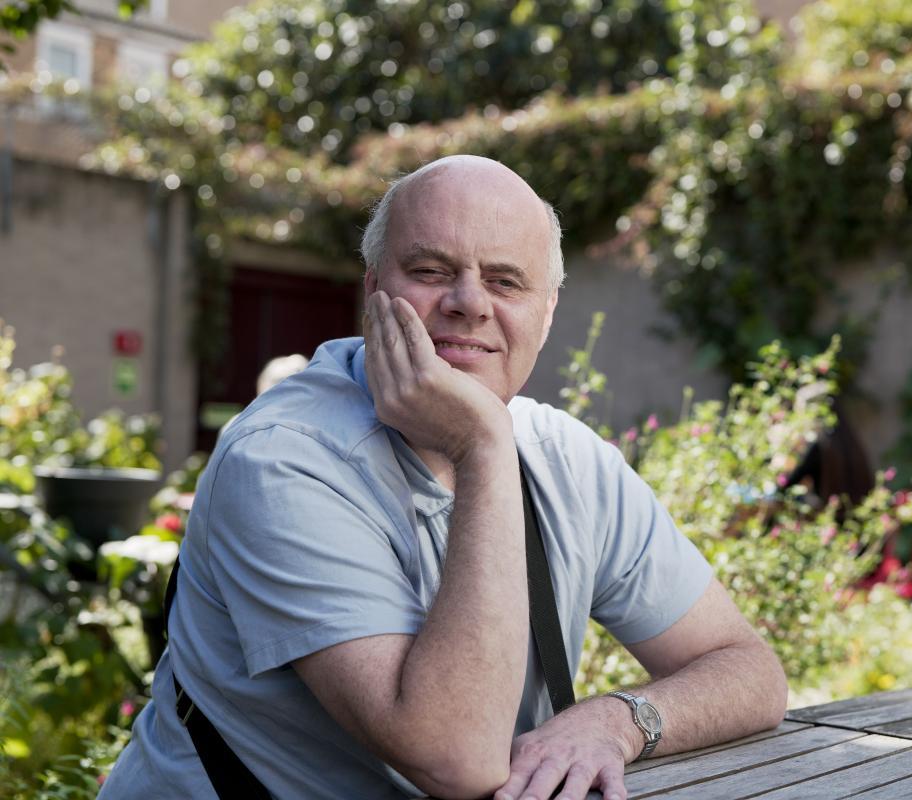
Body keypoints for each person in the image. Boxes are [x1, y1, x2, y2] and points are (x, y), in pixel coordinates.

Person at [99, 155, 787, 800]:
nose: (469, 302)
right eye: (431, 270)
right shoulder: (283, 460)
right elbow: (454, 757)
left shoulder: (570, 459)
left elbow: (750, 671)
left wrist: (619, 719)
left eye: (506, 280)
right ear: (373, 291)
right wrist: (484, 444)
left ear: (547, 314)